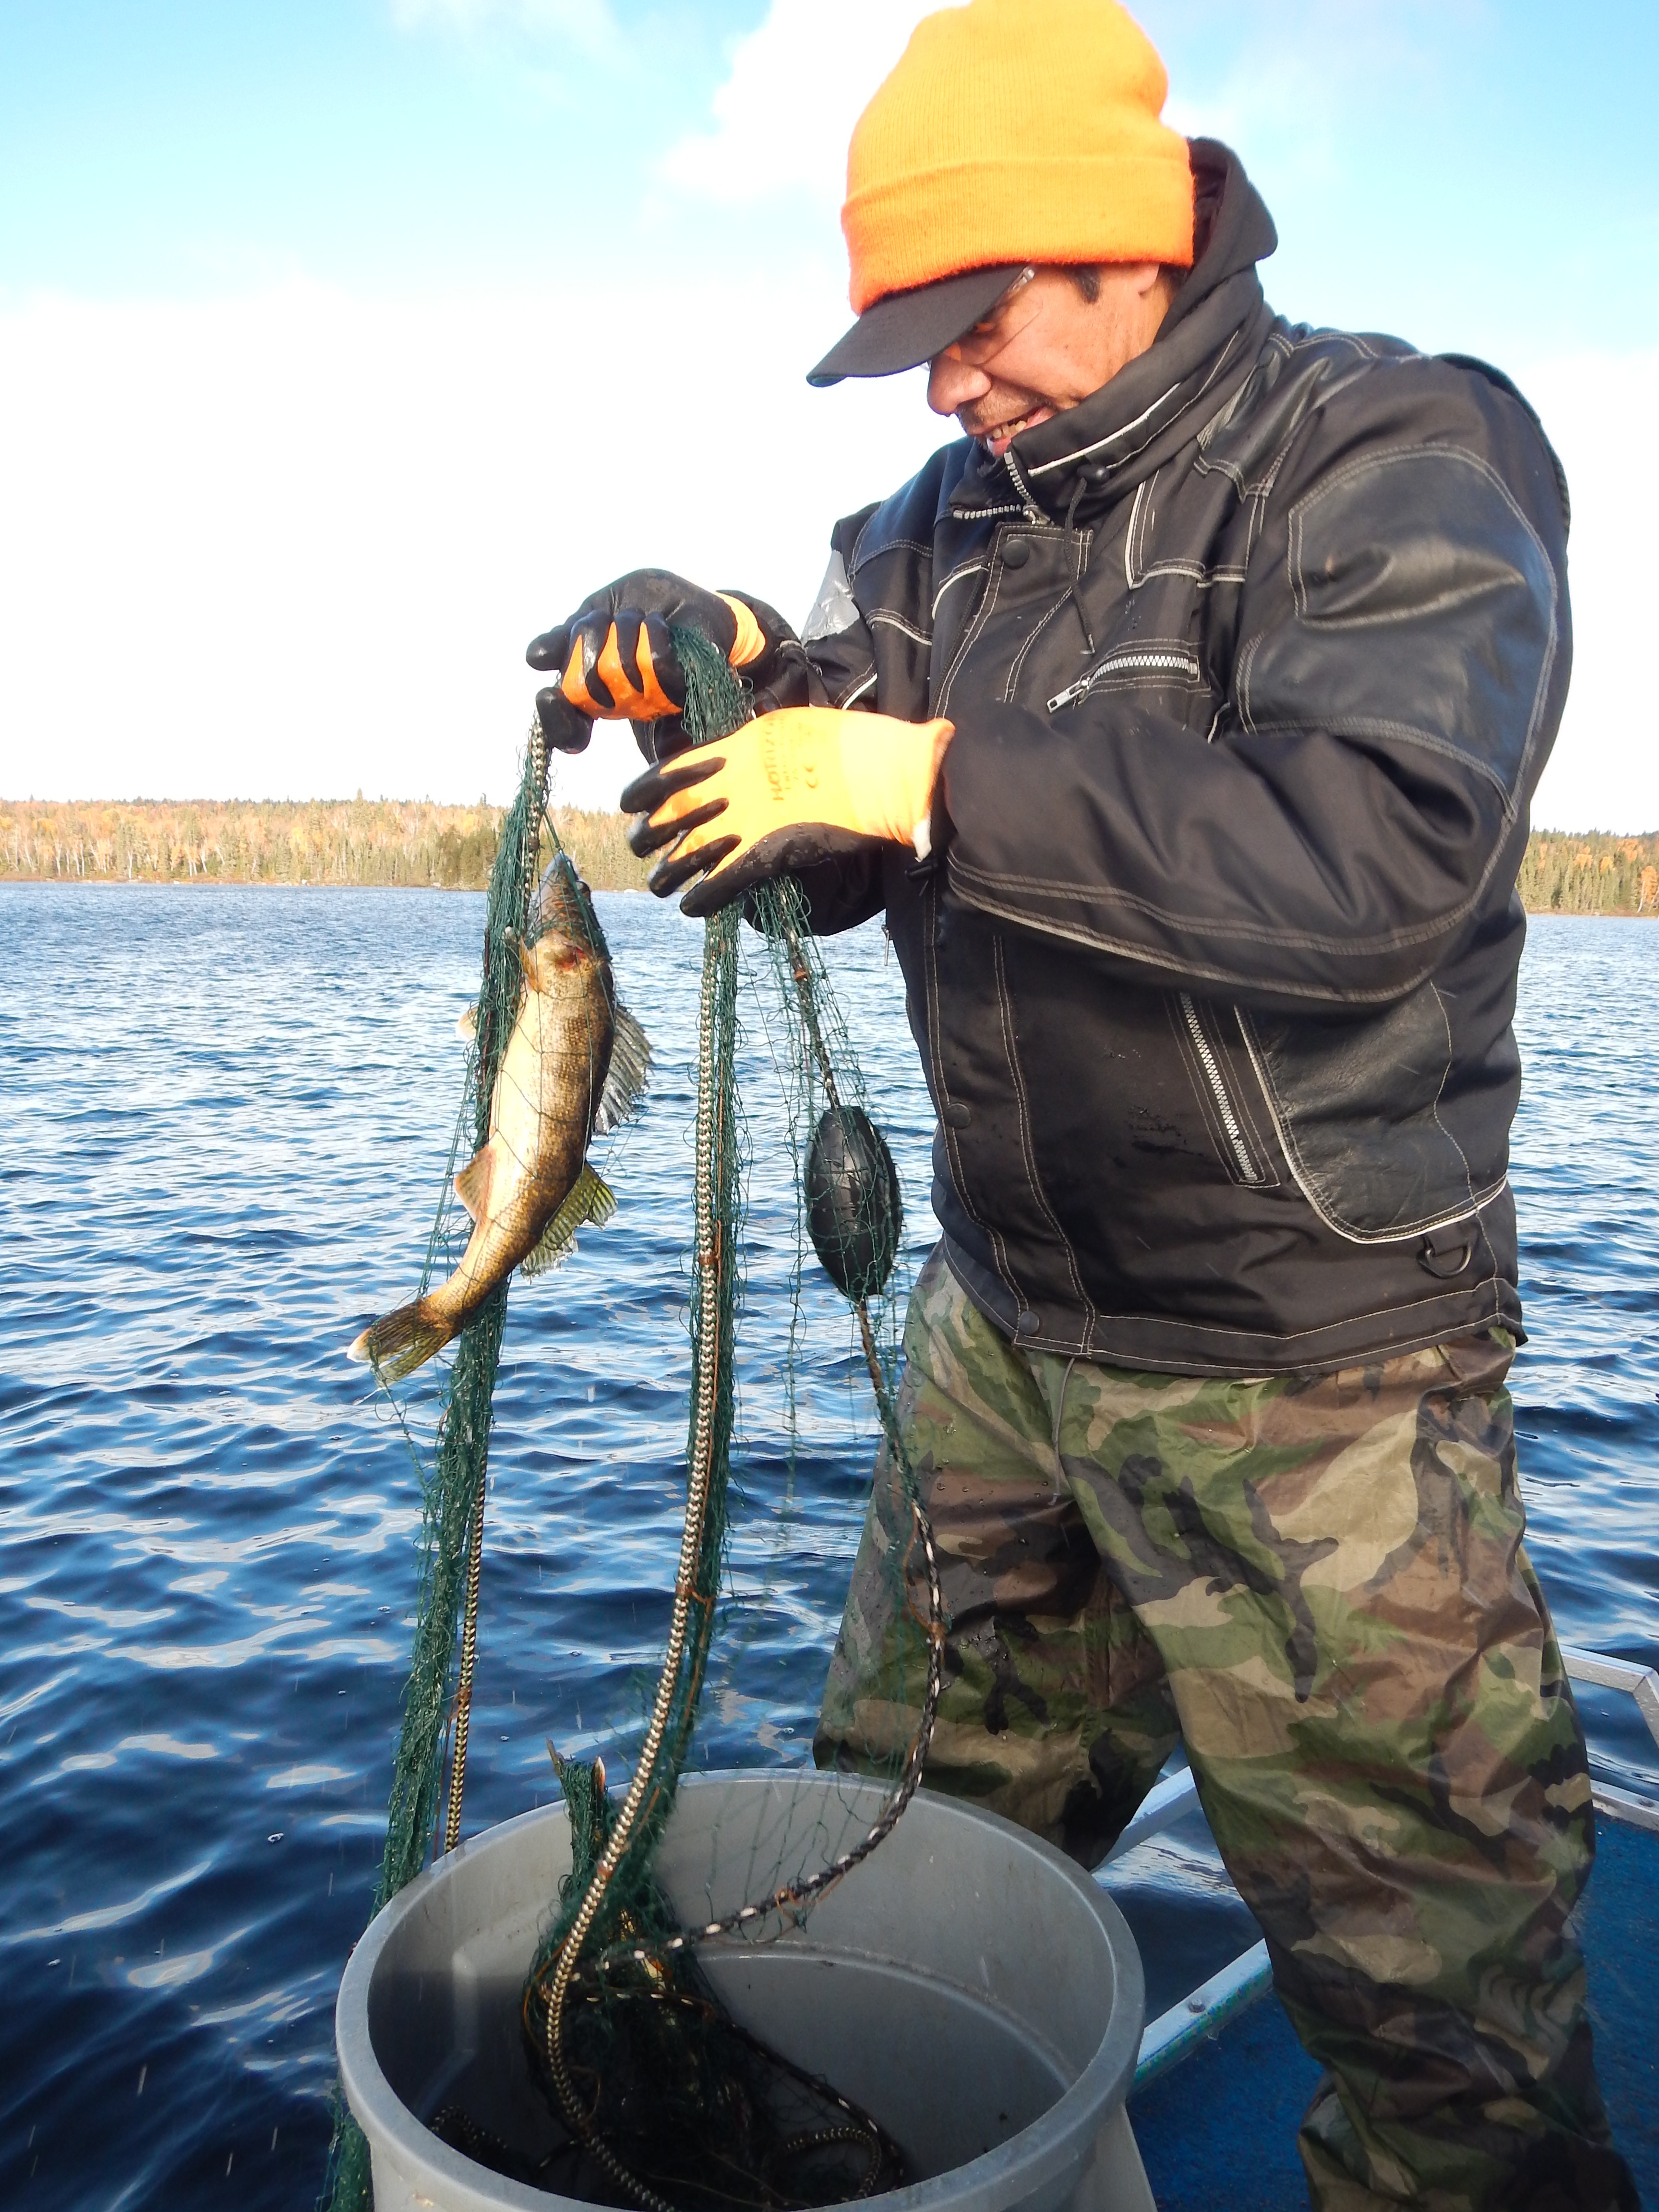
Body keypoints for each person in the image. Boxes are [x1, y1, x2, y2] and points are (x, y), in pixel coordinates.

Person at [526, 2, 1635, 2204]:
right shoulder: (923, 526)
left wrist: (931, 776)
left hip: (1318, 1373)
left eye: (974, 321)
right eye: (907, 343)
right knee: (893, 1870)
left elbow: (1377, 860)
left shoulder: (1396, 446)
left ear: (1131, 247)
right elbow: (825, 842)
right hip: (1006, 1337)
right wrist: (732, 678)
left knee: (1441, 2031)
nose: (944, 384)